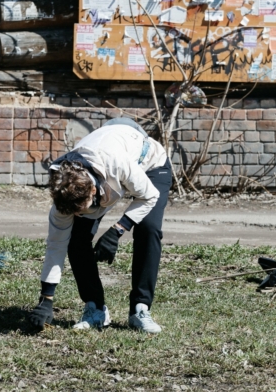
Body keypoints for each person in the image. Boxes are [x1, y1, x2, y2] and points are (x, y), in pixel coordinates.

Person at [27, 118, 172, 334]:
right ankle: (95, 308)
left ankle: (140, 309)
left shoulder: (116, 163)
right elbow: (56, 245)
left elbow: (149, 196)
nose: (79, 214)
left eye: (82, 209)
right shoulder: (64, 195)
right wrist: (46, 299)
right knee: (76, 237)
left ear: (93, 192)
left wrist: (118, 229)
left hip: (150, 165)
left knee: (148, 228)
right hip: (107, 168)